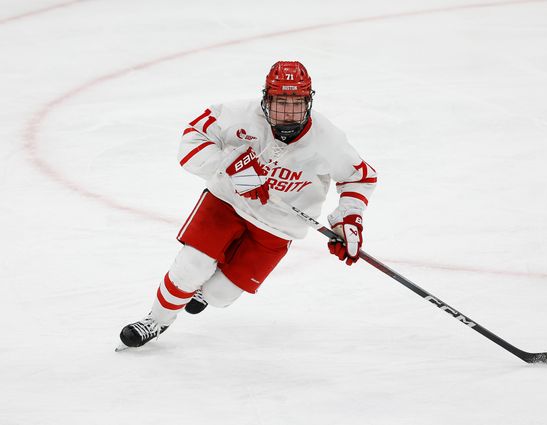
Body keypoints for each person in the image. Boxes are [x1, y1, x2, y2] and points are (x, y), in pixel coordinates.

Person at [118, 61, 377, 349]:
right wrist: (229, 165)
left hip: (279, 225)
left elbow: (358, 177)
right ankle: (157, 320)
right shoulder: (239, 115)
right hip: (227, 202)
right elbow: (192, 138)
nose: (288, 114)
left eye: (296, 104)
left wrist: (348, 219)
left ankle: (204, 290)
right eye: (280, 103)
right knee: (191, 266)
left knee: (220, 295)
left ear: (309, 101)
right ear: (265, 99)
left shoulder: (327, 139)